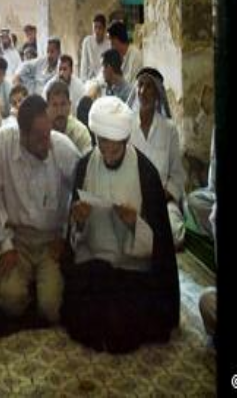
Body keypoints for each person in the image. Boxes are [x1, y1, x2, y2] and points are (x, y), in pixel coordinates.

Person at [62, 96, 179, 353]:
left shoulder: (145, 173)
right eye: (102, 142)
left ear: (126, 140)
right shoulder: (84, 166)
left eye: (115, 145)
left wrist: (134, 224)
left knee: (120, 331)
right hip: (94, 262)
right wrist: (78, 222)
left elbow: (158, 246)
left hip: (132, 269)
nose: (108, 150)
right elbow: (73, 238)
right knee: (83, 321)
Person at [0, 95, 81, 325]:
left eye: (48, 134)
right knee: (9, 300)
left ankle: (40, 290)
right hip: (17, 238)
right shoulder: (3, 145)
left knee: (51, 310)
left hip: (51, 240)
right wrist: (4, 246)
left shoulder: (62, 148)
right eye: (39, 138)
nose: (47, 144)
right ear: (22, 134)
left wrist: (67, 236)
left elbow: (82, 192)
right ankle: (26, 289)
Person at [129, 67, 187, 247]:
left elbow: (177, 175)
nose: (142, 92)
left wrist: (158, 199)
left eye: (149, 87)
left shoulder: (169, 129)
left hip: (161, 200)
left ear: (157, 94)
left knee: (175, 235)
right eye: (139, 85)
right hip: (131, 198)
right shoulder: (126, 125)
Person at [107, 20, 143, 86]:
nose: (110, 45)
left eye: (111, 41)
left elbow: (134, 87)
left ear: (116, 40)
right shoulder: (115, 55)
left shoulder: (136, 56)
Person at [78, 14, 110, 83]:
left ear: (104, 29)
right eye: (95, 27)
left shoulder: (109, 44)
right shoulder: (87, 41)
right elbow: (84, 65)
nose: (97, 31)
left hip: (103, 81)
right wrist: (83, 82)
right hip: (89, 80)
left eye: (100, 28)